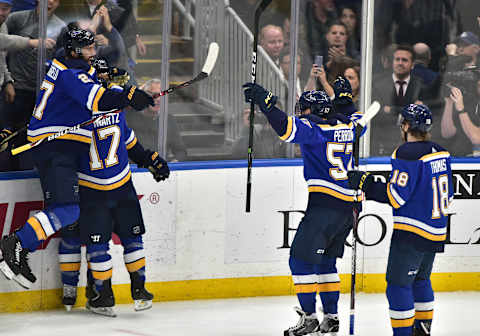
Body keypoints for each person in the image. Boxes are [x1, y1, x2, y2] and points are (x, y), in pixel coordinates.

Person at [0, 27, 154, 289]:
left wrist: (108, 75)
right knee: (68, 210)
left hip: (59, 146)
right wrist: (127, 95)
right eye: (89, 49)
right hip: (55, 147)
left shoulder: (67, 64)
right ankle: (16, 243)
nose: (94, 52)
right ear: (74, 51)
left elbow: (92, 78)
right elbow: (96, 99)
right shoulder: (71, 74)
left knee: (64, 210)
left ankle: (21, 247)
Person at [243, 82, 363, 336]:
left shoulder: (314, 129)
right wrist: (344, 99)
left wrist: (267, 104)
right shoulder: (348, 126)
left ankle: (309, 319)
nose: (301, 114)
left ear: (314, 111)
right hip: (349, 208)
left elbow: (286, 129)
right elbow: (358, 119)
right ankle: (331, 318)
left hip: (324, 205)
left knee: (299, 260)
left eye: (304, 109)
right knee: (326, 263)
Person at [59, 59, 169, 316]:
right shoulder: (117, 103)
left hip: (92, 187)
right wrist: (149, 159)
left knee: (99, 246)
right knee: (133, 239)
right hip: (121, 183)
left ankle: (103, 296)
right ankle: (139, 291)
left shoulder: (80, 108)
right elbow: (128, 138)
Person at [348, 104, 453, 336]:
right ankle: (423, 331)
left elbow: (396, 197)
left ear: (406, 126)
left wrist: (366, 183)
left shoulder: (406, 153)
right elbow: (449, 194)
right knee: (421, 280)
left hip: (412, 232)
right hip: (436, 229)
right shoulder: (441, 152)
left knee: (398, 285)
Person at [372, 44, 426, 156]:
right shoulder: (377, 84)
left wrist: (390, 110)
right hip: (383, 144)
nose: (400, 63)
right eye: (397, 59)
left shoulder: (421, 85)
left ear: (412, 65)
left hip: (413, 145)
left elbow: (422, 116)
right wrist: (409, 111)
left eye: (405, 60)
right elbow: (376, 115)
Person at [125, 78, 187, 161]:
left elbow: (180, 151)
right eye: (154, 95)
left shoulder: (168, 120)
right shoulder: (129, 116)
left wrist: (174, 163)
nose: (158, 99)